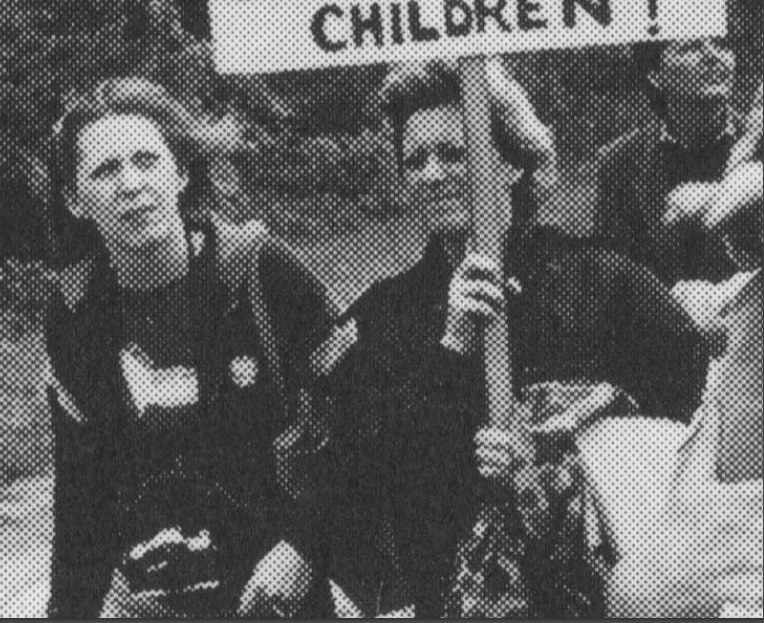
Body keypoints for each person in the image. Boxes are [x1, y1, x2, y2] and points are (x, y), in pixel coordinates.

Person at [242, 58, 710, 618]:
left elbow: (693, 415)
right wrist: (453, 346)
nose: (432, 174)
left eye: (454, 153)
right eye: (415, 161)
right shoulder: (385, 313)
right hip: (449, 595)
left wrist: (559, 443)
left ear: (511, 164)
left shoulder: (602, 281)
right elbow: (366, 467)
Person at [43, 77, 336, 619]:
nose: (131, 184)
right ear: (74, 198)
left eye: (146, 160)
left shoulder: (260, 269)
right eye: (105, 171)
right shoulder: (75, 314)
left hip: (277, 600)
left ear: (179, 172)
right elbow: (80, 497)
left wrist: (304, 546)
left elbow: (360, 426)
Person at [579, 148, 762, 618]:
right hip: (711, 506)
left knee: (635, 594)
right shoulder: (739, 299)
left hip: (738, 544)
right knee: (605, 442)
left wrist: (724, 193)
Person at [594, 36, 744, 286]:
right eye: (691, 47)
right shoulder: (619, 161)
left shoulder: (756, 146)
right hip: (658, 319)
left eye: (722, 45)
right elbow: (615, 275)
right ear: (656, 74)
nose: (712, 56)